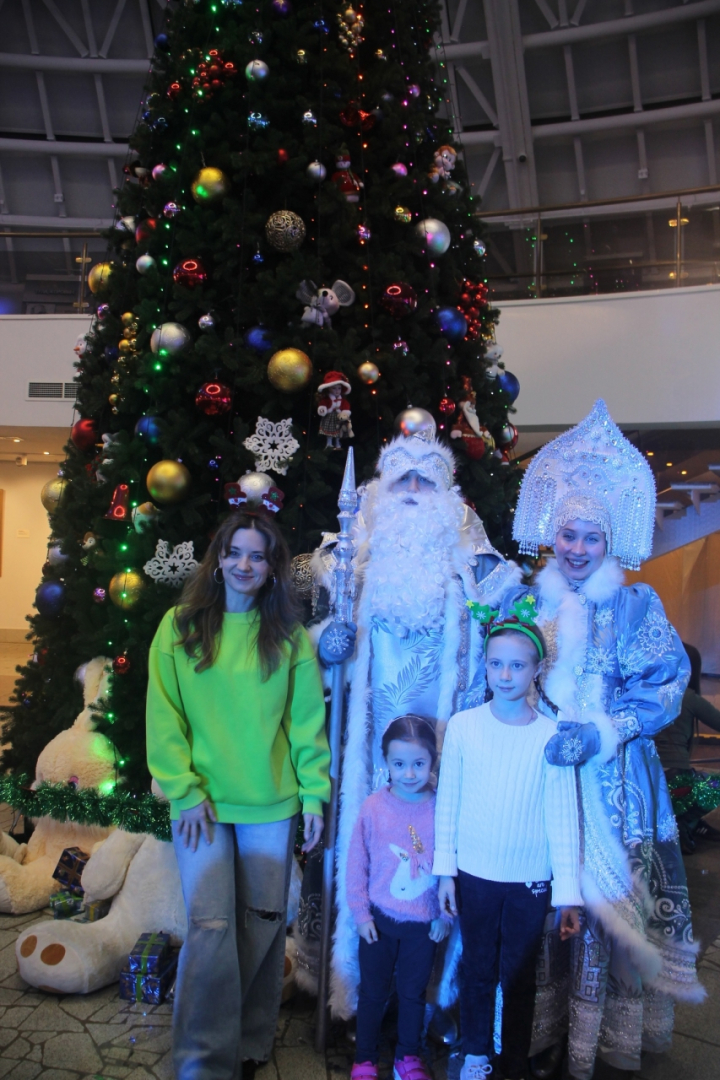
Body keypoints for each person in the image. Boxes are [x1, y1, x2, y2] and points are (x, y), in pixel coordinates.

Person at [293, 417, 520, 1017]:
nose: (414, 490)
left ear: (448, 496)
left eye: (427, 480)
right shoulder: (344, 563)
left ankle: (426, 998)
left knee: (432, 860)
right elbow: (312, 643)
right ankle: (355, 992)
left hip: (440, 752)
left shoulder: (477, 571)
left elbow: (511, 641)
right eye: (403, 480)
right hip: (366, 749)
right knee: (362, 849)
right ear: (380, 490)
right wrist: (327, 644)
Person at [508, 400, 703, 1080]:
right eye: (568, 534)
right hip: (542, 771)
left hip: (617, 779)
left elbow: (664, 682)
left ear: (610, 541)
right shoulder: (525, 602)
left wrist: (603, 732)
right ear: (551, 534)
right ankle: (541, 1031)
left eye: (591, 537)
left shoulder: (635, 604)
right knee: (542, 893)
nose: (578, 548)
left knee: (606, 899)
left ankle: (597, 1038)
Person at [146, 510, 331, 1080]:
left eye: (258, 555)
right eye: (235, 553)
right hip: (199, 806)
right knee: (210, 930)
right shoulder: (179, 627)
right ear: (218, 559)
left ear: (273, 567)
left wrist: (314, 795)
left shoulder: (290, 637)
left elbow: (306, 724)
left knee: (262, 924)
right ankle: (203, 1062)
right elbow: (164, 716)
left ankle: (248, 1044)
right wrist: (183, 791)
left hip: (269, 806)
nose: (245, 564)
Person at [433, 603, 582, 1080]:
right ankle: (476, 1053)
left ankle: (513, 1060)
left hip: (529, 881)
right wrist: (445, 871)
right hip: (475, 875)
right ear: (485, 665)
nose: (504, 674)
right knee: (478, 967)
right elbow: (448, 802)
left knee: (518, 975)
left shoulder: (551, 736)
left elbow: (562, 816)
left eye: (517, 665)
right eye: (496, 663)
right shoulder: (464, 726)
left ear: (537, 669)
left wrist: (568, 893)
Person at [347, 715, 451, 1080]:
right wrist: (361, 914)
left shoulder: (442, 809)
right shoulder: (373, 808)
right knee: (373, 993)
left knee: (412, 994)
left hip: (423, 927)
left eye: (419, 764)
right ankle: (365, 1058)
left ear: (433, 761)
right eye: (399, 764)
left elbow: (451, 868)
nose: (409, 774)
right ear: (386, 763)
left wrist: (445, 916)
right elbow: (357, 864)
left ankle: (407, 1057)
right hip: (379, 922)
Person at [655, 643, 720, 853]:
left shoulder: (648, 692)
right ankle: (685, 822)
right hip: (677, 783)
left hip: (648, 781)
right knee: (713, 785)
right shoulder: (689, 697)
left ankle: (686, 822)